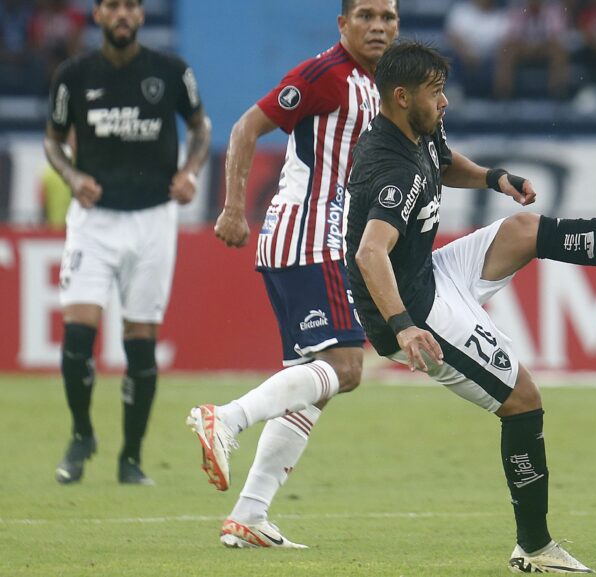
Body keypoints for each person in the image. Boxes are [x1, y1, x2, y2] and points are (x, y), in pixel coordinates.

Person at [345, 41, 596, 573]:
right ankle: (536, 548)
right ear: (402, 97)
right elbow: (369, 252)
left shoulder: (419, 131)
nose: (445, 102)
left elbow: (444, 164)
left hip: (427, 274)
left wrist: (495, 177)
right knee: (522, 400)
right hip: (410, 308)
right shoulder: (388, 168)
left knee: (524, 230)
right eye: (436, 92)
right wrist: (403, 328)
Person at [185, 0, 399, 549]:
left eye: (389, 17)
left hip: (318, 243)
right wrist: (234, 207)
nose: (378, 26)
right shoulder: (323, 75)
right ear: (342, 24)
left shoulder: (381, 84)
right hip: (310, 238)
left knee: (312, 388)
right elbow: (246, 127)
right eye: (367, 15)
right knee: (348, 368)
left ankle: (250, 515)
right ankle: (226, 419)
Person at [44, 0, 211, 485]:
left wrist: (189, 172)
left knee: (140, 341)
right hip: (94, 221)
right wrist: (73, 176)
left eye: (131, 6)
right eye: (113, 6)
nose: (122, 14)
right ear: (97, 15)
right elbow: (53, 139)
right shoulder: (73, 75)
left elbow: (200, 126)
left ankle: (131, 459)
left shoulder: (171, 72)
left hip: (152, 220)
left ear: (141, 16)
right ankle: (81, 435)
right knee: (78, 333)